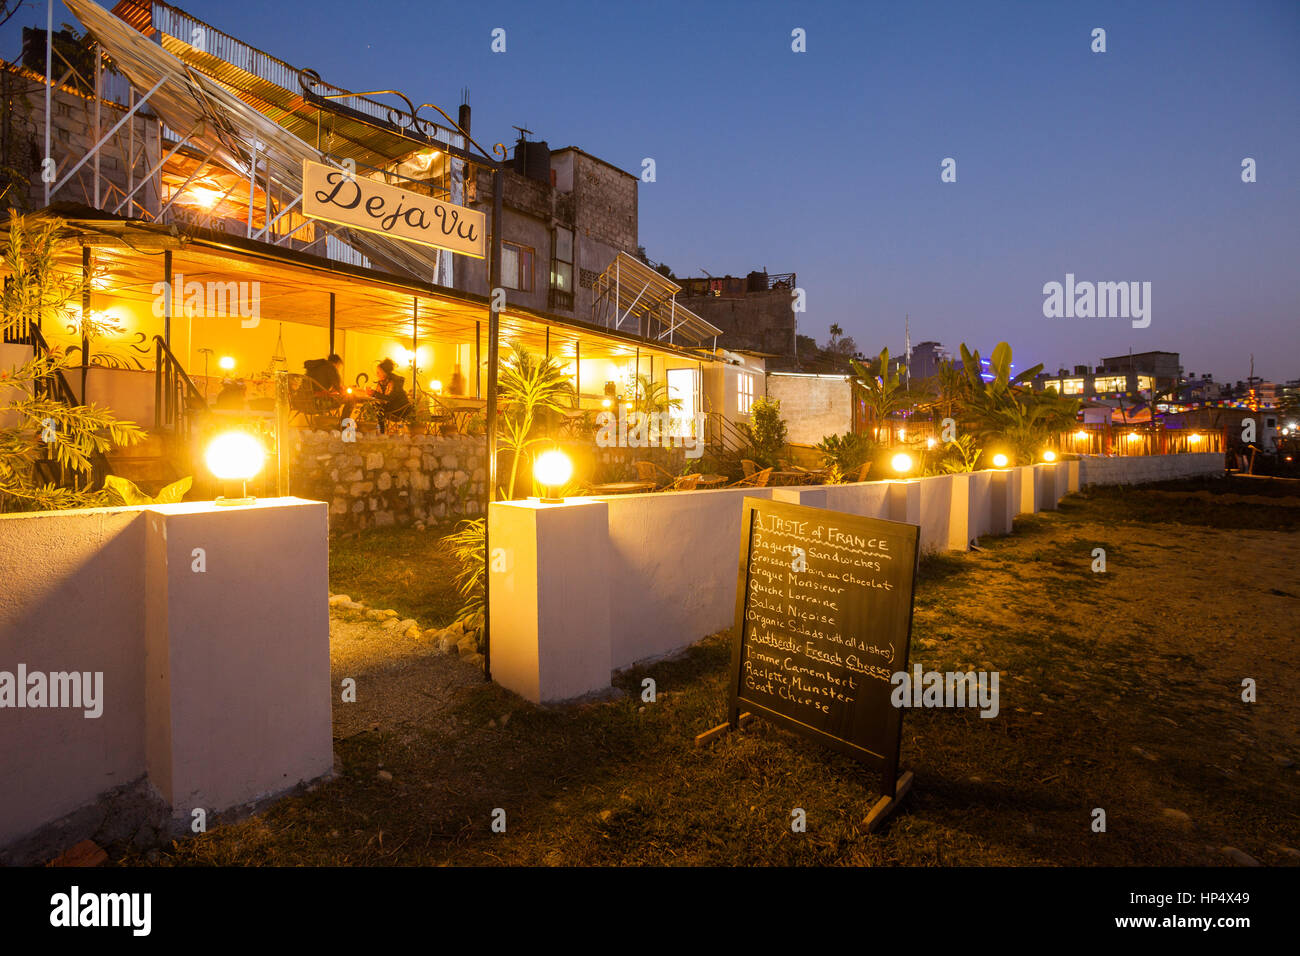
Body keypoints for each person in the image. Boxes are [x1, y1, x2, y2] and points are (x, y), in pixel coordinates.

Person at [369, 358, 412, 433]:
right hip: (389, 406)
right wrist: (372, 393)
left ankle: (380, 432)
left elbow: (390, 398)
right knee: (371, 406)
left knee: (378, 409)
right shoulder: (383, 382)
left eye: (378, 372)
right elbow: (380, 395)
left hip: (399, 408)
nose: (377, 374)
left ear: (384, 372)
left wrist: (375, 393)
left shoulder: (394, 382)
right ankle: (374, 431)